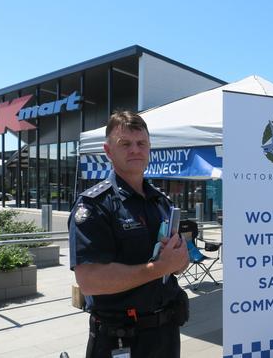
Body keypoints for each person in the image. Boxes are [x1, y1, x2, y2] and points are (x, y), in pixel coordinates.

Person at [69, 111, 190, 358]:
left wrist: (179, 261)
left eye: (141, 143)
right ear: (108, 151)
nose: (135, 149)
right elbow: (90, 281)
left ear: (149, 149)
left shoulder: (161, 202)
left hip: (166, 335)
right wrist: (159, 267)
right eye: (125, 144)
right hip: (121, 341)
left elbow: (176, 264)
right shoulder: (94, 206)